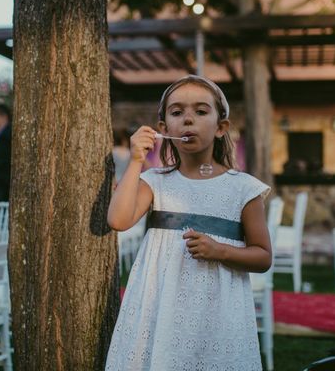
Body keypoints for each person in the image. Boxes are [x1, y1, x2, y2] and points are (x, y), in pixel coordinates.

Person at [105, 75, 272, 370]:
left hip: (217, 309)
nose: (188, 120)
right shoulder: (154, 181)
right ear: (163, 129)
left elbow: (262, 256)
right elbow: (118, 219)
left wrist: (221, 251)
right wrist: (135, 160)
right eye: (177, 112)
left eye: (201, 111)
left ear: (221, 128)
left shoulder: (243, 189)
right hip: (160, 305)